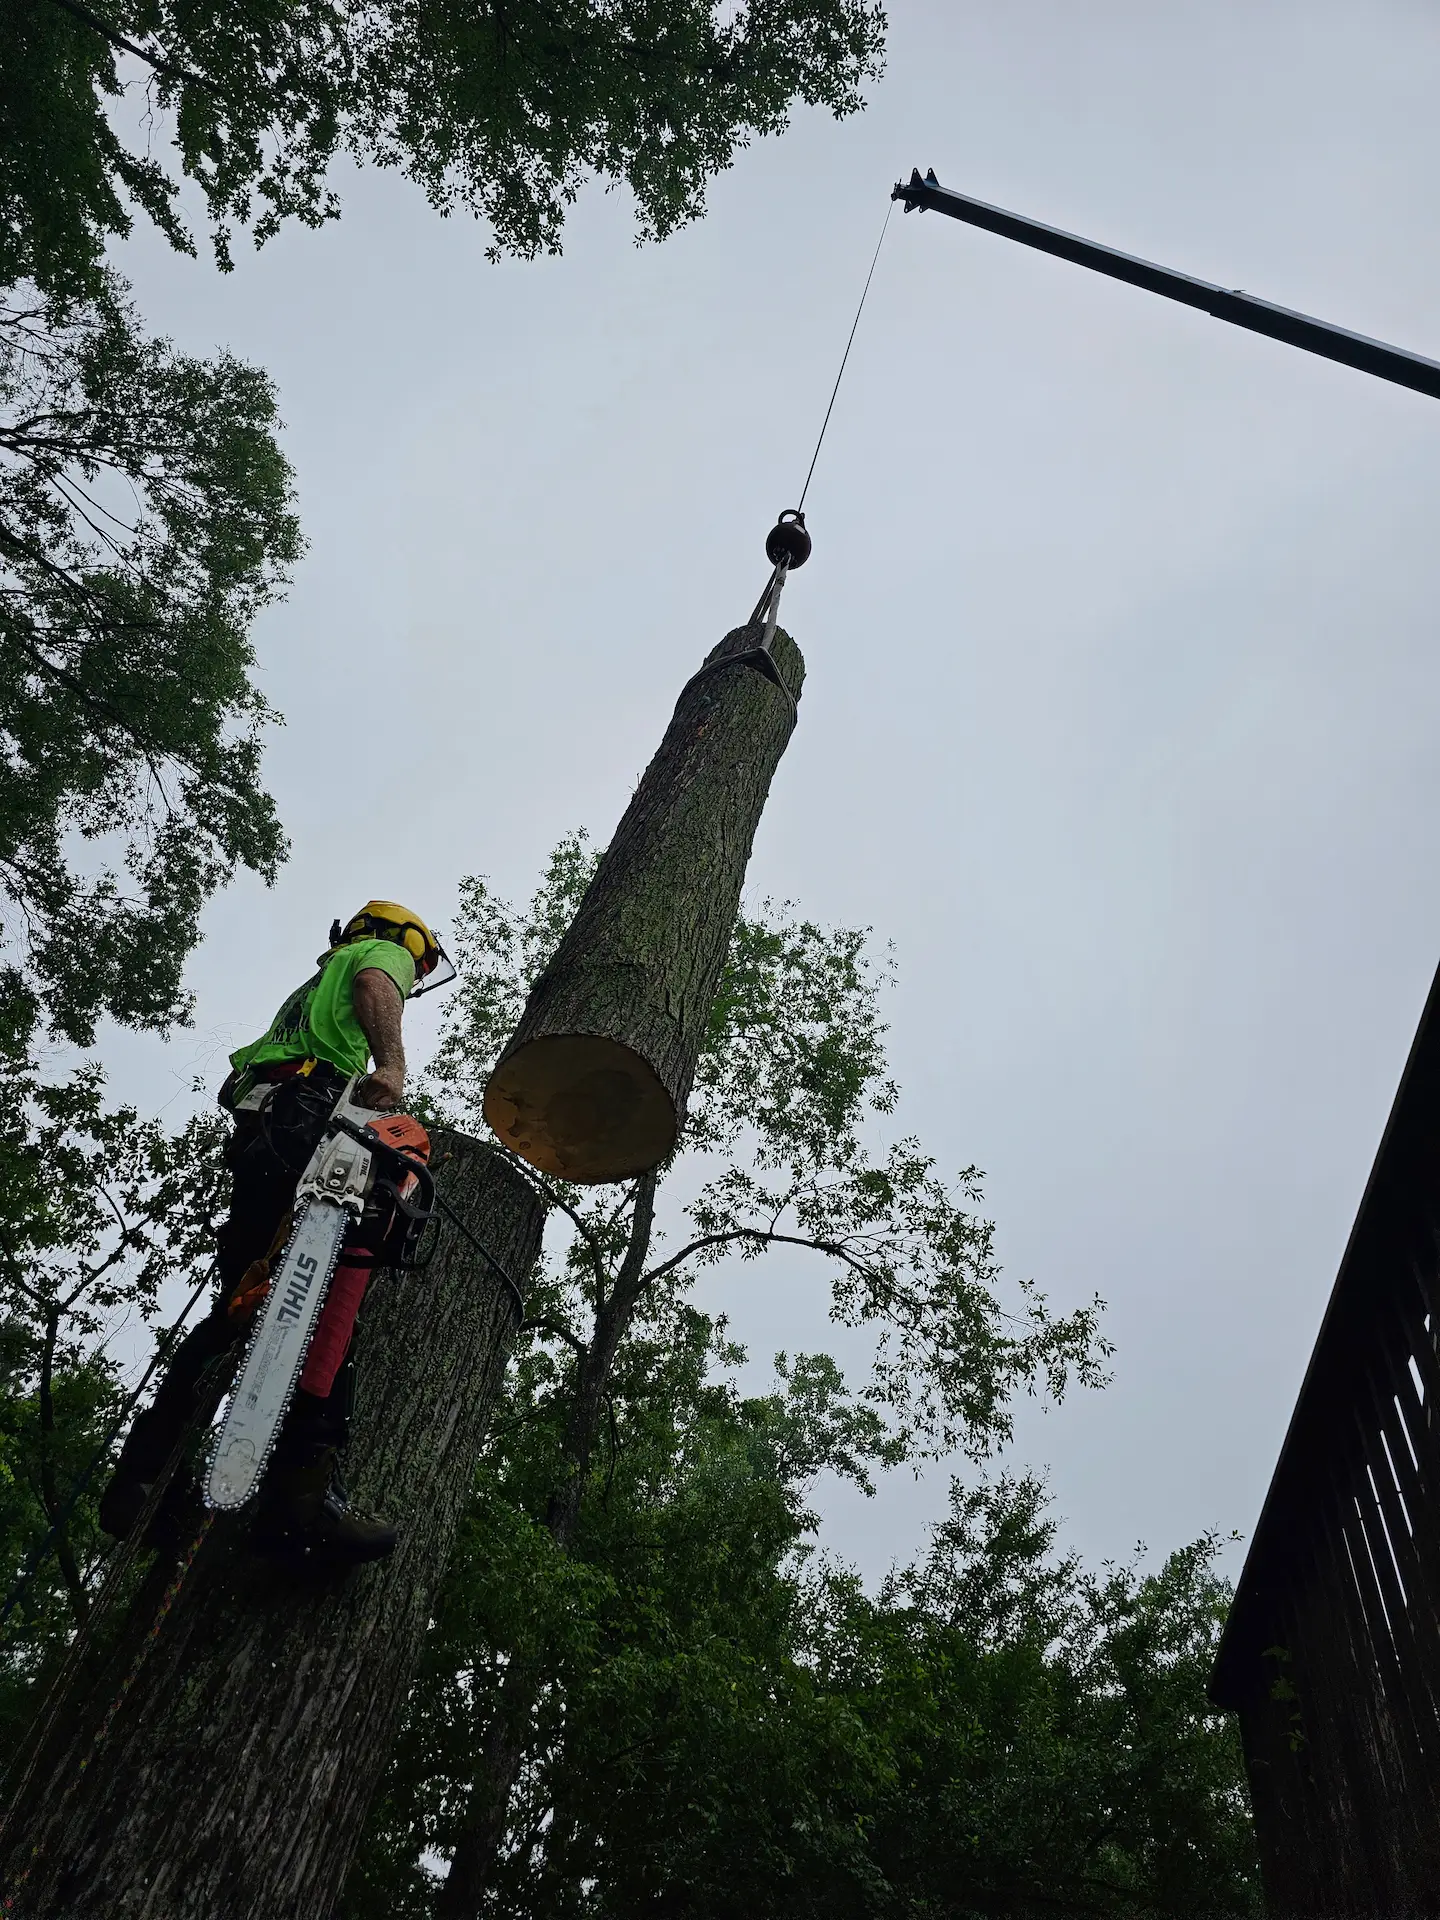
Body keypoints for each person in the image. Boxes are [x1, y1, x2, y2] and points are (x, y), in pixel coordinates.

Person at [100, 901, 451, 1565]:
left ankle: (144, 1480)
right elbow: (378, 986)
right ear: (405, 941)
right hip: (312, 1118)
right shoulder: (381, 955)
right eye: (417, 963)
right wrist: (393, 1068)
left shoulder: (312, 985)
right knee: (327, 1299)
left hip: (268, 1127)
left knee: (241, 1303)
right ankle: (301, 1500)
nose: (412, 974)